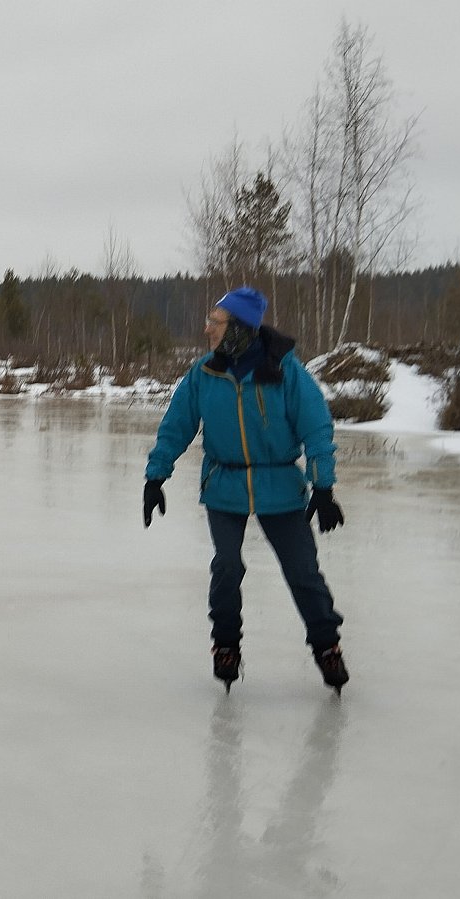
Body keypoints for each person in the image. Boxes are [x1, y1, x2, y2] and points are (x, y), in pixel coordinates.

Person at [142, 286, 349, 693]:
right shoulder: (204, 373)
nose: (207, 329)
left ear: (238, 328)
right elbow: (177, 425)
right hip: (224, 483)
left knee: (302, 570)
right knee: (227, 566)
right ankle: (226, 645)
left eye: (214, 322)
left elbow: (316, 427)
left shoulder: (286, 371)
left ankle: (327, 645)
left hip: (280, 484)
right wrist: (155, 476)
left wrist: (323, 486)